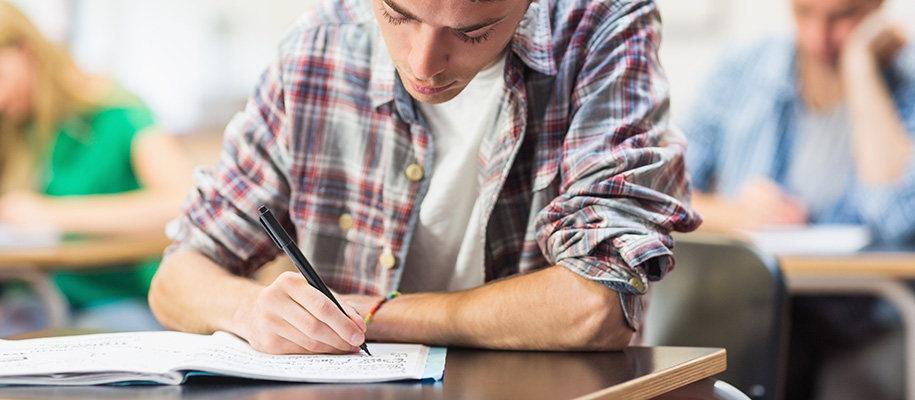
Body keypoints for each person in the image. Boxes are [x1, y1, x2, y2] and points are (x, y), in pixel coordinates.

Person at [149, 0, 701, 355]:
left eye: (473, 31)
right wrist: (248, 310)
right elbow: (177, 279)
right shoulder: (318, 46)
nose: (423, 63)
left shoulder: (602, 27)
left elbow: (595, 306)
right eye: (398, 15)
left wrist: (367, 315)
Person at [682, 0, 913, 398]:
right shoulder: (744, 69)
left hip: (864, 319)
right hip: (755, 307)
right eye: (804, 14)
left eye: (842, 18)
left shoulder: (904, 81)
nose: (817, 38)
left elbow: (896, 215)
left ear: (877, 9)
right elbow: (664, 194)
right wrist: (733, 214)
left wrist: (860, 68)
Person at [0, 1, 192, 333]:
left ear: (26, 52)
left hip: (114, 299)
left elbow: (184, 202)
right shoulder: (15, 129)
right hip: (32, 296)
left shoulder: (116, 111)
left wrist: (51, 214)